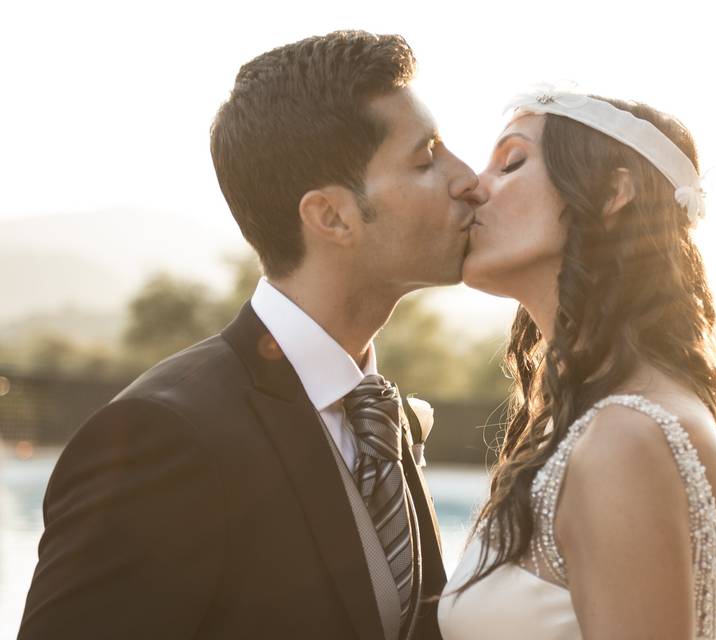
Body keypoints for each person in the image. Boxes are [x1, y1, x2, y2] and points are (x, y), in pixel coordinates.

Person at [19, 30, 482, 640]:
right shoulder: (166, 439)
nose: (469, 178)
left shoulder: (378, 413)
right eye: (426, 160)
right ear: (332, 217)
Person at [437, 87, 716, 639]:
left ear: (612, 192)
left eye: (512, 162)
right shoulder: (608, 422)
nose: (476, 186)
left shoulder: (627, 439)